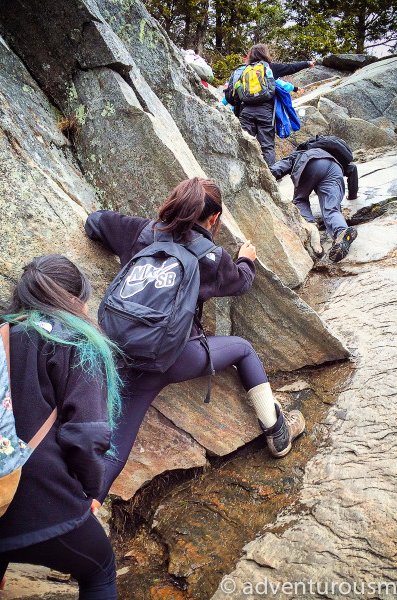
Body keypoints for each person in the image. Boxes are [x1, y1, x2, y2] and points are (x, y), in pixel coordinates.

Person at [85, 177, 306, 509]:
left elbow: (94, 223)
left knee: (115, 445)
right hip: (172, 357)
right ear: (213, 218)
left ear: (173, 202)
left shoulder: (141, 232)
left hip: (119, 349)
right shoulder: (211, 257)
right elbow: (242, 282)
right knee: (243, 349)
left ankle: (82, 511)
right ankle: (276, 431)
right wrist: (246, 257)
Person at [0, 255, 122, 600]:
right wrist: (91, 491)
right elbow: (87, 435)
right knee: (101, 570)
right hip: (39, 506)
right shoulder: (74, 342)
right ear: (77, 300)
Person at [228, 43, 314, 166]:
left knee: (244, 144)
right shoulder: (269, 68)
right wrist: (306, 64)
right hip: (265, 113)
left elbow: (236, 94)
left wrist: (238, 112)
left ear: (251, 56)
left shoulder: (244, 70)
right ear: (265, 54)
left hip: (246, 112)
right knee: (267, 146)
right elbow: (290, 67)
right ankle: (271, 178)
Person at [270, 148, 358, 262]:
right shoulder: (334, 152)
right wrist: (352, 195)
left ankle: (312, 229)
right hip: (333, 168)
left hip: (309, 164)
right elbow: (352, 168)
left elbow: (280, 167)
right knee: (332, 209)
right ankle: (342, 232)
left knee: (300, 200)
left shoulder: (301, 152)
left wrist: (265, 176)